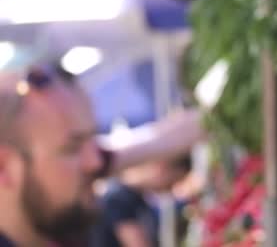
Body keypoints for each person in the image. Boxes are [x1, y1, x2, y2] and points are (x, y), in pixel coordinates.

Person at [0, 66, 203, 246]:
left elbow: (158, 140)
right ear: (3, 166)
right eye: (72, 148)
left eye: (93, 139)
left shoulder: (55, 223)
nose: (95, 161)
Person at [90, 154, 192, 247]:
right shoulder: (117, 197)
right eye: (173, 181)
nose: (170, 189)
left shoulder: (139, 199)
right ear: (162, 167)